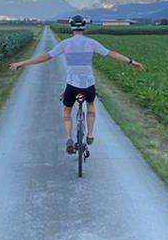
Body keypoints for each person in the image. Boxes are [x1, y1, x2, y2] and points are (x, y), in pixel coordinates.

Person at [10, 16, 144, 152]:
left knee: (67, 112)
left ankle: (69, 138)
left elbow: (45, 57)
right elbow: (112, 55)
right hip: (88, 84)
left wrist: (22, 63)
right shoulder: (91, 43)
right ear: (84, 27)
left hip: (72, 85)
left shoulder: (65, 44)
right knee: (91, 106)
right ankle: (90, 134)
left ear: (71, 27)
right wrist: (131, 61)